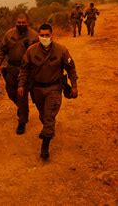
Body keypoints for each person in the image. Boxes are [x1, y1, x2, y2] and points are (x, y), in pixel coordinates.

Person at [17, 24, 78, 160]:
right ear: (38, 36)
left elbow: (71, 69)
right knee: (43, 115)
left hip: (54, 88)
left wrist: (74, 85)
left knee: (49, 116)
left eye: (47, 35)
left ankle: (45, 144)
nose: (45, 38)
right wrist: (21, 84)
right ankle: (47, 129)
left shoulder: (61, 50)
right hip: (37, 89)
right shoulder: (31, 51)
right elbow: (24, 69)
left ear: (52, 35)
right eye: (42, 35)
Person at [0, 12, 38, 135]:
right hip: (12, 68)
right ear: (15, 22)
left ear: (27, 22)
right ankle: (21, 108)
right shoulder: (9, 34)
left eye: (23, 22)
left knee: (22, 95)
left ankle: (22, 121)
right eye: (19, 22)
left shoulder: (34, 36)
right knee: (10, 92)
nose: (21, 24)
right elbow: (2, 49)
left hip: (26, 70)